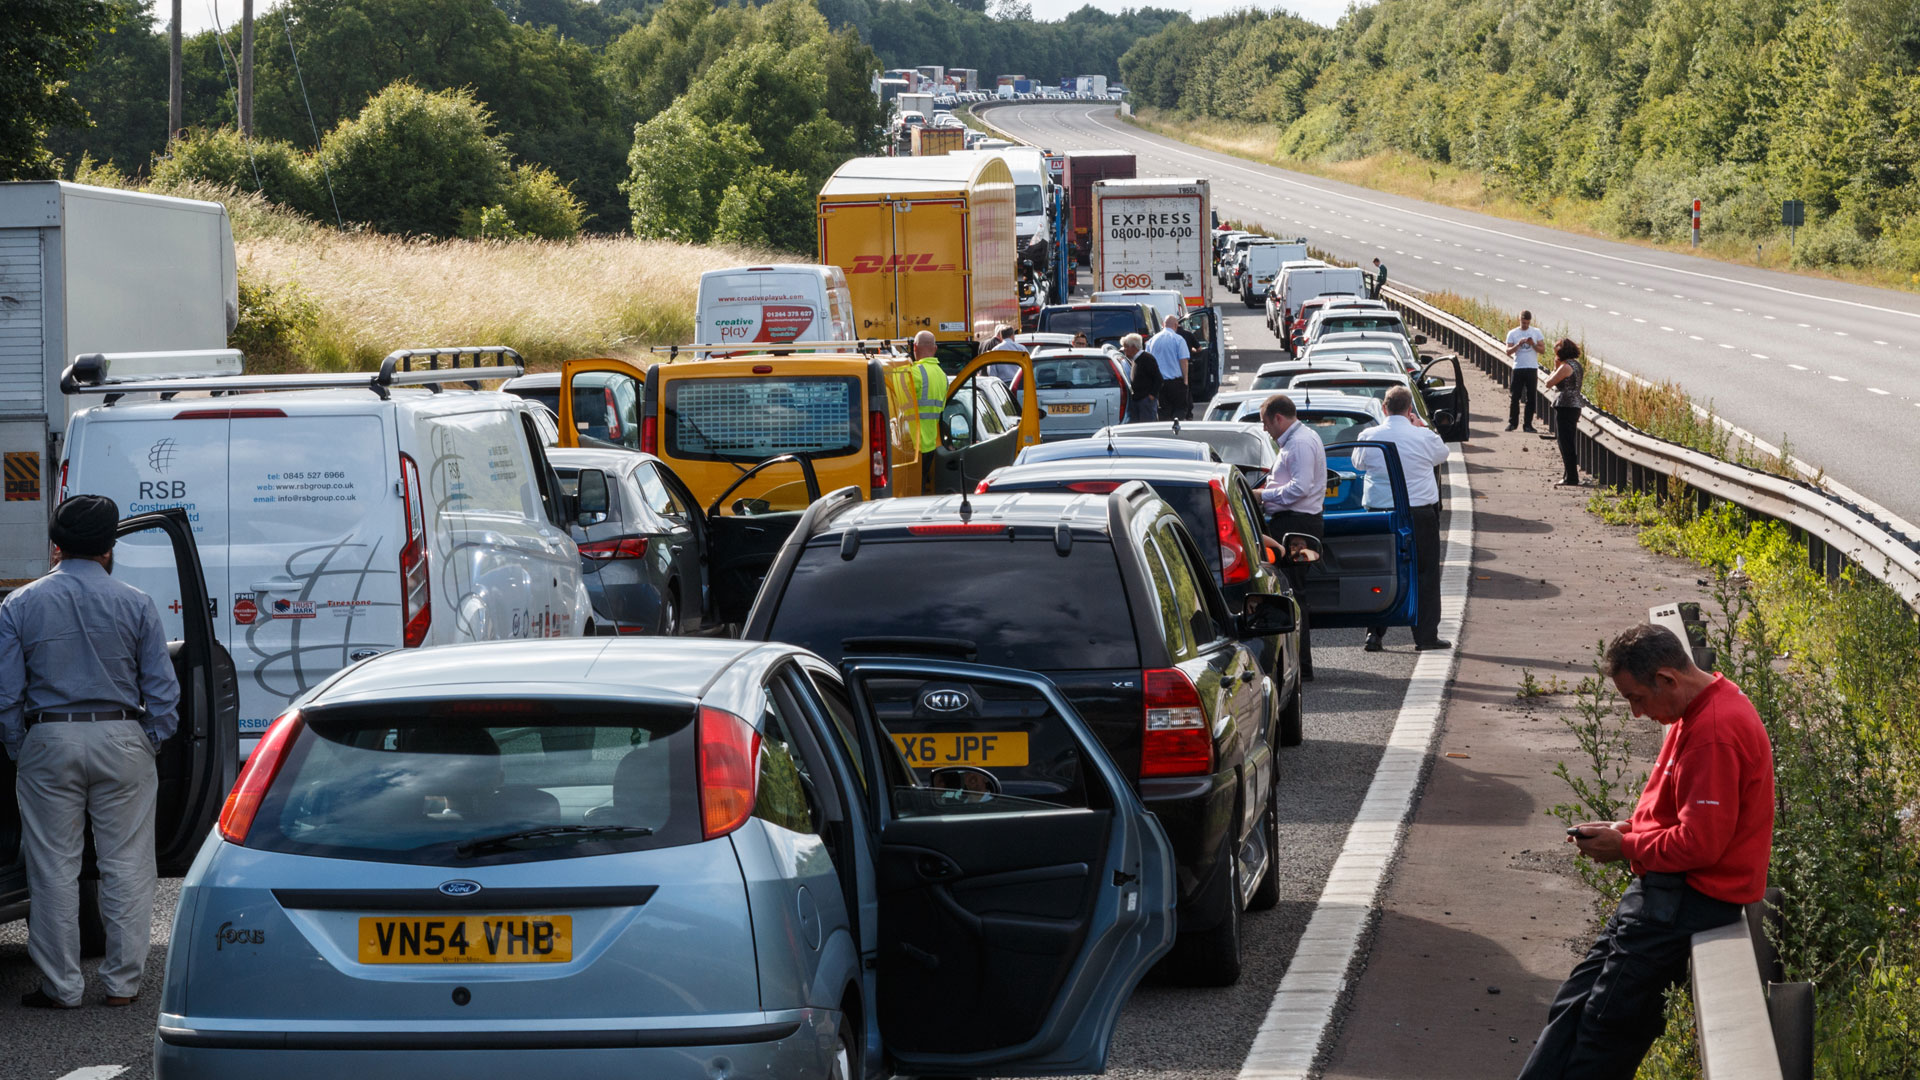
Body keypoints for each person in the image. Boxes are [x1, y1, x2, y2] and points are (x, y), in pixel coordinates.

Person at [1517, 624, 1774, 1080]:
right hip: (1662, 894)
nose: (1637, 714)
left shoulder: (1714, 731)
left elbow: (1701, 843)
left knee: (1605, 1026)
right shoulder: (1696, 708)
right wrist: (1627, 829)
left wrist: (1627, 846)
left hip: (1686, 901)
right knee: (1575, 1004)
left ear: (1668, 679)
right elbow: (1680, 814)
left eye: (1637, 698)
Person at [1, 494, 180, 1009]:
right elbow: (163, 692)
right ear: (108, 548)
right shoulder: (136, 602)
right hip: (121, 736)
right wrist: (150, 739)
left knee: (53, 866)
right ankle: (123, 985)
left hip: (48, 737)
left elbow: (7, 692)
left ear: (56, 546)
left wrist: (22, 745)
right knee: (127, 864)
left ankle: (61, 987)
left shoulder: (19, 604)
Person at [1354, 386, 1451, 652]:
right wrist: (1420, 426)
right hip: (1419, 514)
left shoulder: (1368, 436)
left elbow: (1357, 464)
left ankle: (1374, 634)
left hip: (1380, 514)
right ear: (1410, 410)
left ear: (1384, 409)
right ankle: (1425, 636)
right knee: (1425, 574)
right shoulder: (1423, 436)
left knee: (1380, 573)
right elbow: (1442, 454)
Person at [1256, 393, 1326, 678]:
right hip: (1295, 524)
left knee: (1293, 594)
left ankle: (1302, 665)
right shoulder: (1298, 440)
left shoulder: (1298, 444)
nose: (1265, 430)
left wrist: (1263, 496)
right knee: (1292, 592)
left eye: (1265, 423)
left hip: (1297, 528)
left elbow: (1300, 488)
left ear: (1278, 418)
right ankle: (1299, 664)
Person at [1544, 337, 1587, 487]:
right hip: (1574, 405)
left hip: (1565, 405)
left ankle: (1571, 477)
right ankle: (1569, 475)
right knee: (1568, 441)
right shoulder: (1577, 365)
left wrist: (1555, 368)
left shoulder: (1565, 367)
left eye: (1556, 353)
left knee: (1565, 442)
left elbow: (1548, 383)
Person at [908, 331, 948, 490]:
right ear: (935, 349)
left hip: (912, 442)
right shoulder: (943, 376)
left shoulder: (914, 372)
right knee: (921, 485)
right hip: (930, 442)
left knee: (912, 489)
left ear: (914, 347)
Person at [1504, 310, 1546, 432]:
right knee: (1515, 396)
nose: (1525, 325)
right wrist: (1518, 344)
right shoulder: (1513, 333)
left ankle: (1528, 424)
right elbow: (1508, 351)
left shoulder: (1536, 332)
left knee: (1531, 398)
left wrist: (1532, 344)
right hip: (1518, 367)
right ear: (1519, 320)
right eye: (1523, 323)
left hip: (1532, 368)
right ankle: (1512, 423)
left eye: (1527, 323)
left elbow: (1542, 350)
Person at [1145, 314, 1191, 422]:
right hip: (1176, 383)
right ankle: (1177, 432)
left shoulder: (1152, 340)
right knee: (1179, 410)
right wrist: (1185, 380)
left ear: (1163, 324)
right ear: (1176, 325)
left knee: (1163, 411)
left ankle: (1166, 432)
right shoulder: (1178, 339)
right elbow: (1183, 361)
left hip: (1159, 383)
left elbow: (1148, 361)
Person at [1120, 333, 1159, 423]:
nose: (1124, 350)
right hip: (1139, 400)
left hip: (1146, 401)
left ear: (1133, 347)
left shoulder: (1147, 358)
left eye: (1126, 347)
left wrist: (1151, 396)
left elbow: (1158, 379)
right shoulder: (1135, 359)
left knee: (1147, 428)